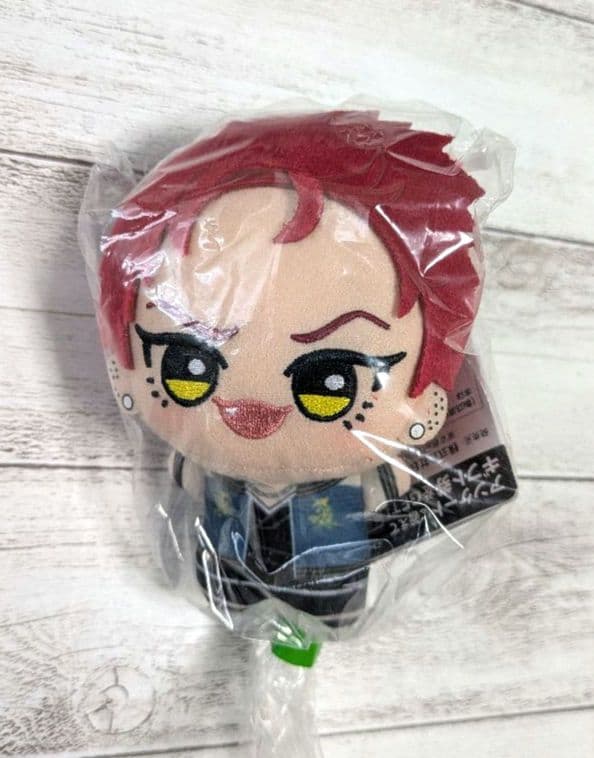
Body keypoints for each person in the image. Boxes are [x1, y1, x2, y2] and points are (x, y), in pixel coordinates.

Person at [99, 111, 483, 630]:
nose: (250, 404)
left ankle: (317, 620)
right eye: (188, 366)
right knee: (230, 595)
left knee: (324, 613)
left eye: (330, 381)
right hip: (227, 562)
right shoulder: (206, 458)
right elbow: (187, 477)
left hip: (330, 572)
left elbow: (388, 491)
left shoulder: (354, 468)